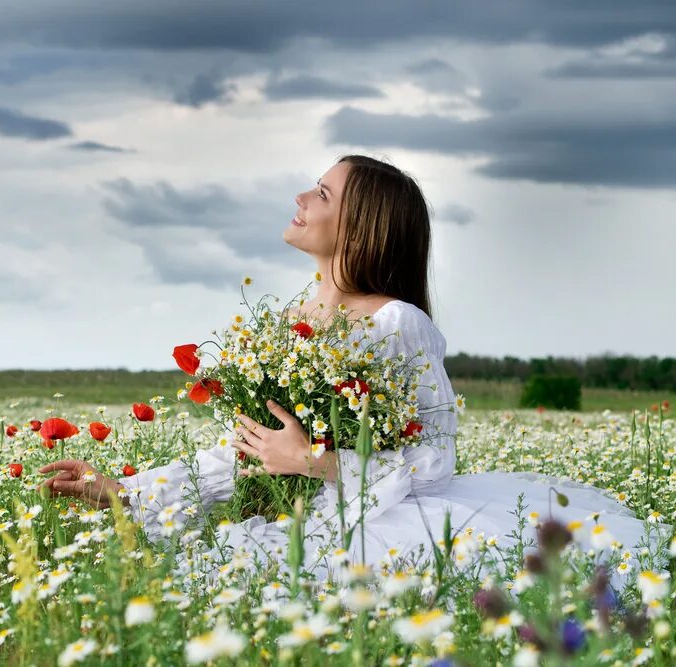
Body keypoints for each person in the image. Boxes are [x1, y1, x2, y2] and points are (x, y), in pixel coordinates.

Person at [39, 155, 672, 588]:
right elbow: (249, 452)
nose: (300, 198)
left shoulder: (398, 324)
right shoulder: (290, 320)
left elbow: (433, 461)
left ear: (361, 224)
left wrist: (315, 461)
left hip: (384, 527)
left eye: (321, 193)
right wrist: (125, 490)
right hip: (308, 520)